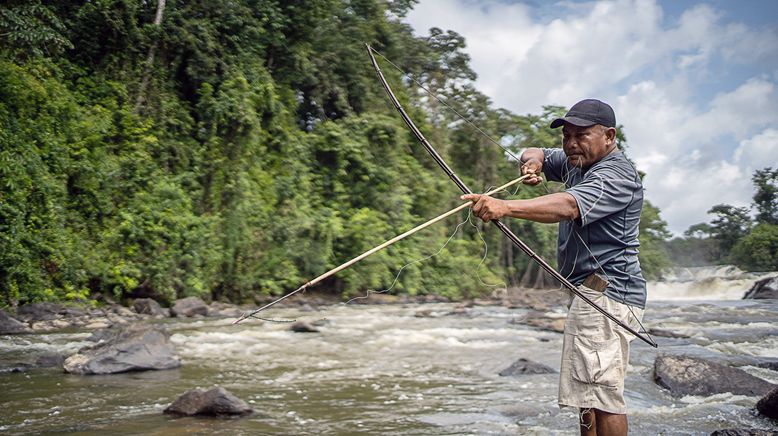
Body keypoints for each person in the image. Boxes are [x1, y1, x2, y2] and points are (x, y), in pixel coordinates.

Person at [461, 99, 646, 436]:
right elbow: (536, 151)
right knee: (587, 394)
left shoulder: (616, 174)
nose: (571, 144)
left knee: (603, 395)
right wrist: (531, 164)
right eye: (567, 136)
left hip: (607, 295)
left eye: (582, 135)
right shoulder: (577, 162)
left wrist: (504, 206)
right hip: (588, 294)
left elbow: (568, 205)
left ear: (609, 135)